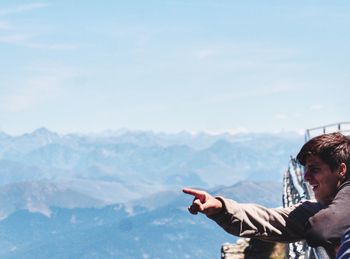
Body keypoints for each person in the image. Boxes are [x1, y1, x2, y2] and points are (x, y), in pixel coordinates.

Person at [183, 132, 350, 258]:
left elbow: (321, 230)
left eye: (314, 169)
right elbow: (269, 219)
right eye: (305, 170)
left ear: (341, 170)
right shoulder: (319, 208)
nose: (306, 177)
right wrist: (221, 208)